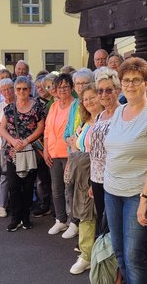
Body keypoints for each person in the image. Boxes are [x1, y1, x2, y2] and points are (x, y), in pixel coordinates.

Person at [103, 57, 147, 283]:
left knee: (134, 255)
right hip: (112, 191)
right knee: (119, 251)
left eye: (136, 80)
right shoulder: (119, 111)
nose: (130, 85)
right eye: (126, 80)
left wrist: (145, 198)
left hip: (139, 194)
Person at [0, 77, 45, 231]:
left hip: (29, 152)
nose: (21, 92)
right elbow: (2, 129)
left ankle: (25, 218)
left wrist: (25, 141)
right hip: (12, 153)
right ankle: (15, 218)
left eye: (24, 88)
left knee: (27, 187)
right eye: (18, 89)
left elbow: (40, 128)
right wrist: (13, 141)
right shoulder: (9, 108)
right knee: (13, 186)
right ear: (14, 90)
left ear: (29, 89)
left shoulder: (37, 107)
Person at [68, 83, 104, 274]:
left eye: (92, 97)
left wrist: (93, 181)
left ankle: (87, 256)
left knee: (88, 216)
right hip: (82, 176)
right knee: (85, 215)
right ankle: (89, 253)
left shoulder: (103, 121)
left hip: (95, 176)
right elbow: (76, 144)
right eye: (85, 99)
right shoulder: (85, 121)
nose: (89, 101)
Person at [62, 68, 95, 239]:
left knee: (83, 193)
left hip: (85, 157)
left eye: (84, 83)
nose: (80, 86)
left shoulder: (91, 105)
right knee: (70, 188)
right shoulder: (75, 104)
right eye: (78, 83)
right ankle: (73, 222)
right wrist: (68, 139)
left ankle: (78, 224)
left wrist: (75, 142)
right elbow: (68, 129)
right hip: (73, 152)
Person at [89, 68, 121, 235]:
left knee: (111, 222)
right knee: (101, 216)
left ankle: (110, 258)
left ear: (118, 90)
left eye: (109, 90)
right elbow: (94, 150)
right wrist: (91, 180)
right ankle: (101, 257)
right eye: (100, 91)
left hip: (113, 178)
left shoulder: (123, 114)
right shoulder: (99, 116)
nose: (103, 94)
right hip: (97, 178)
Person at [44, 73, 76, 236]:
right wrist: (45, 150)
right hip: (53, 153)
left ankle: (73, 222)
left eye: (65, 86)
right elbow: (48, 129)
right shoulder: (54, 106)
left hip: (69, 154)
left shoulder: (76, 105)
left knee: (70, 189)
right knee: (56, 188)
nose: (62, 90)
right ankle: (60, 220)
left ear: (72, 88)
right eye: (59, 87)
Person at [32, 74, 53, 217]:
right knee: (42, 179)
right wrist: (40, 148)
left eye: (43, 86)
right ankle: (44, 204)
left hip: (54, 145)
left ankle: (56, 206)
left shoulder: (54, 101)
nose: (40, 89)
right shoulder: (34, 104)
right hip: (39, 146)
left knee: (55, 179)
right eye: (37, 87)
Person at [0, 78, 15, 218]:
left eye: (9, 88)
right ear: (1, 92)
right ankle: (2, 205)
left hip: (21, 145)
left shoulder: (20, 103)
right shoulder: (0, 106)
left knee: (20, 175)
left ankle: (16, 204)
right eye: (4, 90)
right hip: (5, 145)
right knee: (5, 175)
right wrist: (10, 140)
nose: (7, 92)